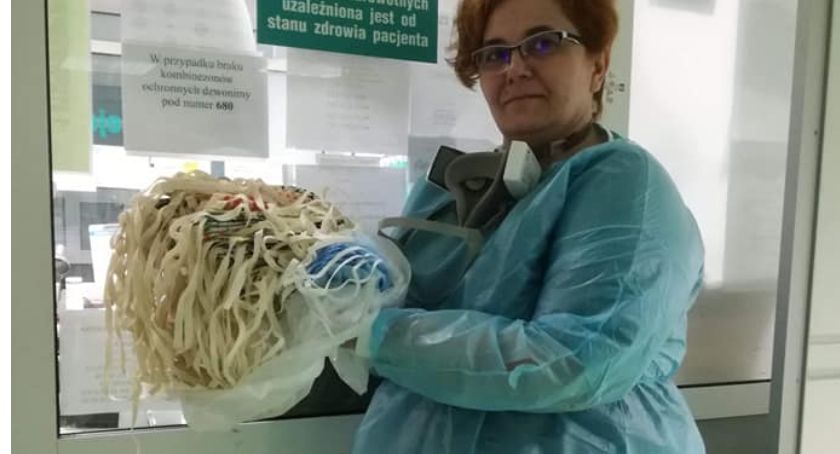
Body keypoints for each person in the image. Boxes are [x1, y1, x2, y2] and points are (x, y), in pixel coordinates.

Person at [349, 0, 706, 452]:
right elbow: (395, 296)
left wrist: (374, 334)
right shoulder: (447, 190)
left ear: (598, 64)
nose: (514, 69)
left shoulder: (627, 185)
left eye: (543, 43)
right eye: (494, 54)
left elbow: (575, 361)